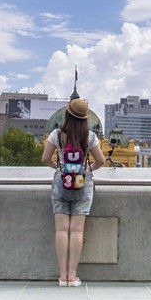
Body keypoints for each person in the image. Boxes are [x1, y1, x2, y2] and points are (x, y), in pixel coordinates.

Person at [41, 97, 106, 287]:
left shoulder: (56, 134)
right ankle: (72, 275)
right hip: (82, 184)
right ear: (84, 118)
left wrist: (59, 167)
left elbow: (45, 158)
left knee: (61, 230)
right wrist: (87, 171)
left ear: (67, 114)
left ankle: (62, 276)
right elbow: (101, 160)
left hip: (61, 182)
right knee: (77, 231)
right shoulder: (91, 136)